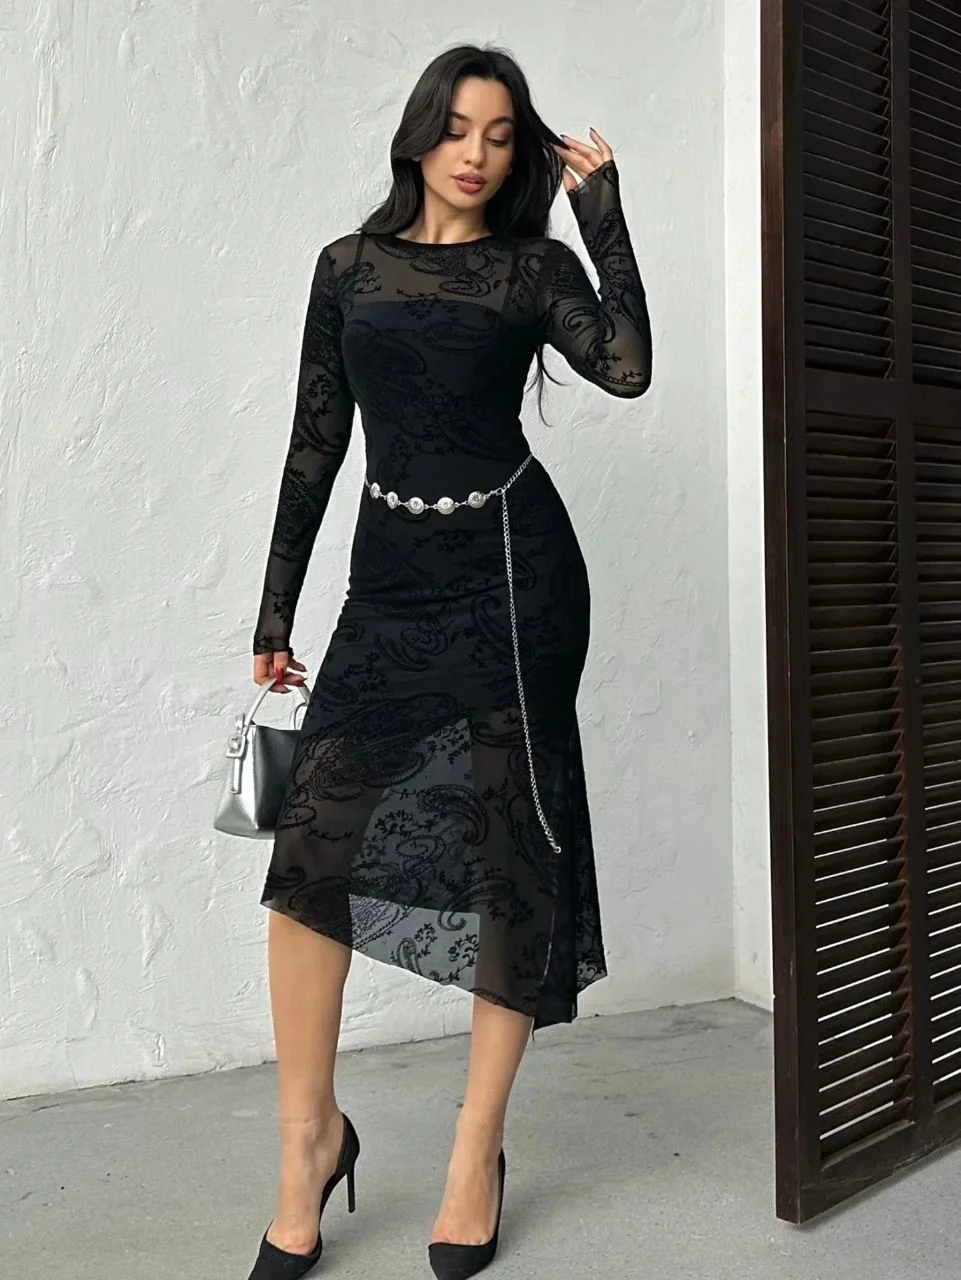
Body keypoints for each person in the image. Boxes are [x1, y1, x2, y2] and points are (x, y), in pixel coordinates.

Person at [243, 41, 652, 1280]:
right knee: (311, 846)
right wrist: (275, 610)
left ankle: (476, 1150)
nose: (477, 153)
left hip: (516, 580)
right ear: (419, 133)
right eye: (459, 127)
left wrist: (602, 217)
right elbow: (315, 439)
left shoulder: (531, 267)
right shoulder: (348, 268)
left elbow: (626, 366)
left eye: (501, 134)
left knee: (508, 850)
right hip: (389, 581)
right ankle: (309, 1141)